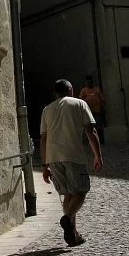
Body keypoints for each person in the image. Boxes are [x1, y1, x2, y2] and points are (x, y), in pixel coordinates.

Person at [40, 79, 103, 247]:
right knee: (80, 192)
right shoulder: (79, 104)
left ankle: (73, 234)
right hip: (73, 155)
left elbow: (43, 138)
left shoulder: (47, 109)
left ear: (55, 93)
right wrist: (97, 156)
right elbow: (91, 130)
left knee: (68, 194)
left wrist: (44, 165)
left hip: (53, 158)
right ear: (71, 90)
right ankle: (67, 219)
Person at [78, 75, 106, 144]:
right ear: (85, 83)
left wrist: (103, 108)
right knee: (89, 126)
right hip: (88, 112)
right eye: (87, 83)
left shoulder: (97, 89)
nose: (89, 84)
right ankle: (90, 142)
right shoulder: (83, 90)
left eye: (90, 82)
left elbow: (101, 99)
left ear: (92, 82)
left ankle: (100, 141)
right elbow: (80, 100)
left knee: (98, 126)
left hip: (97, 111)